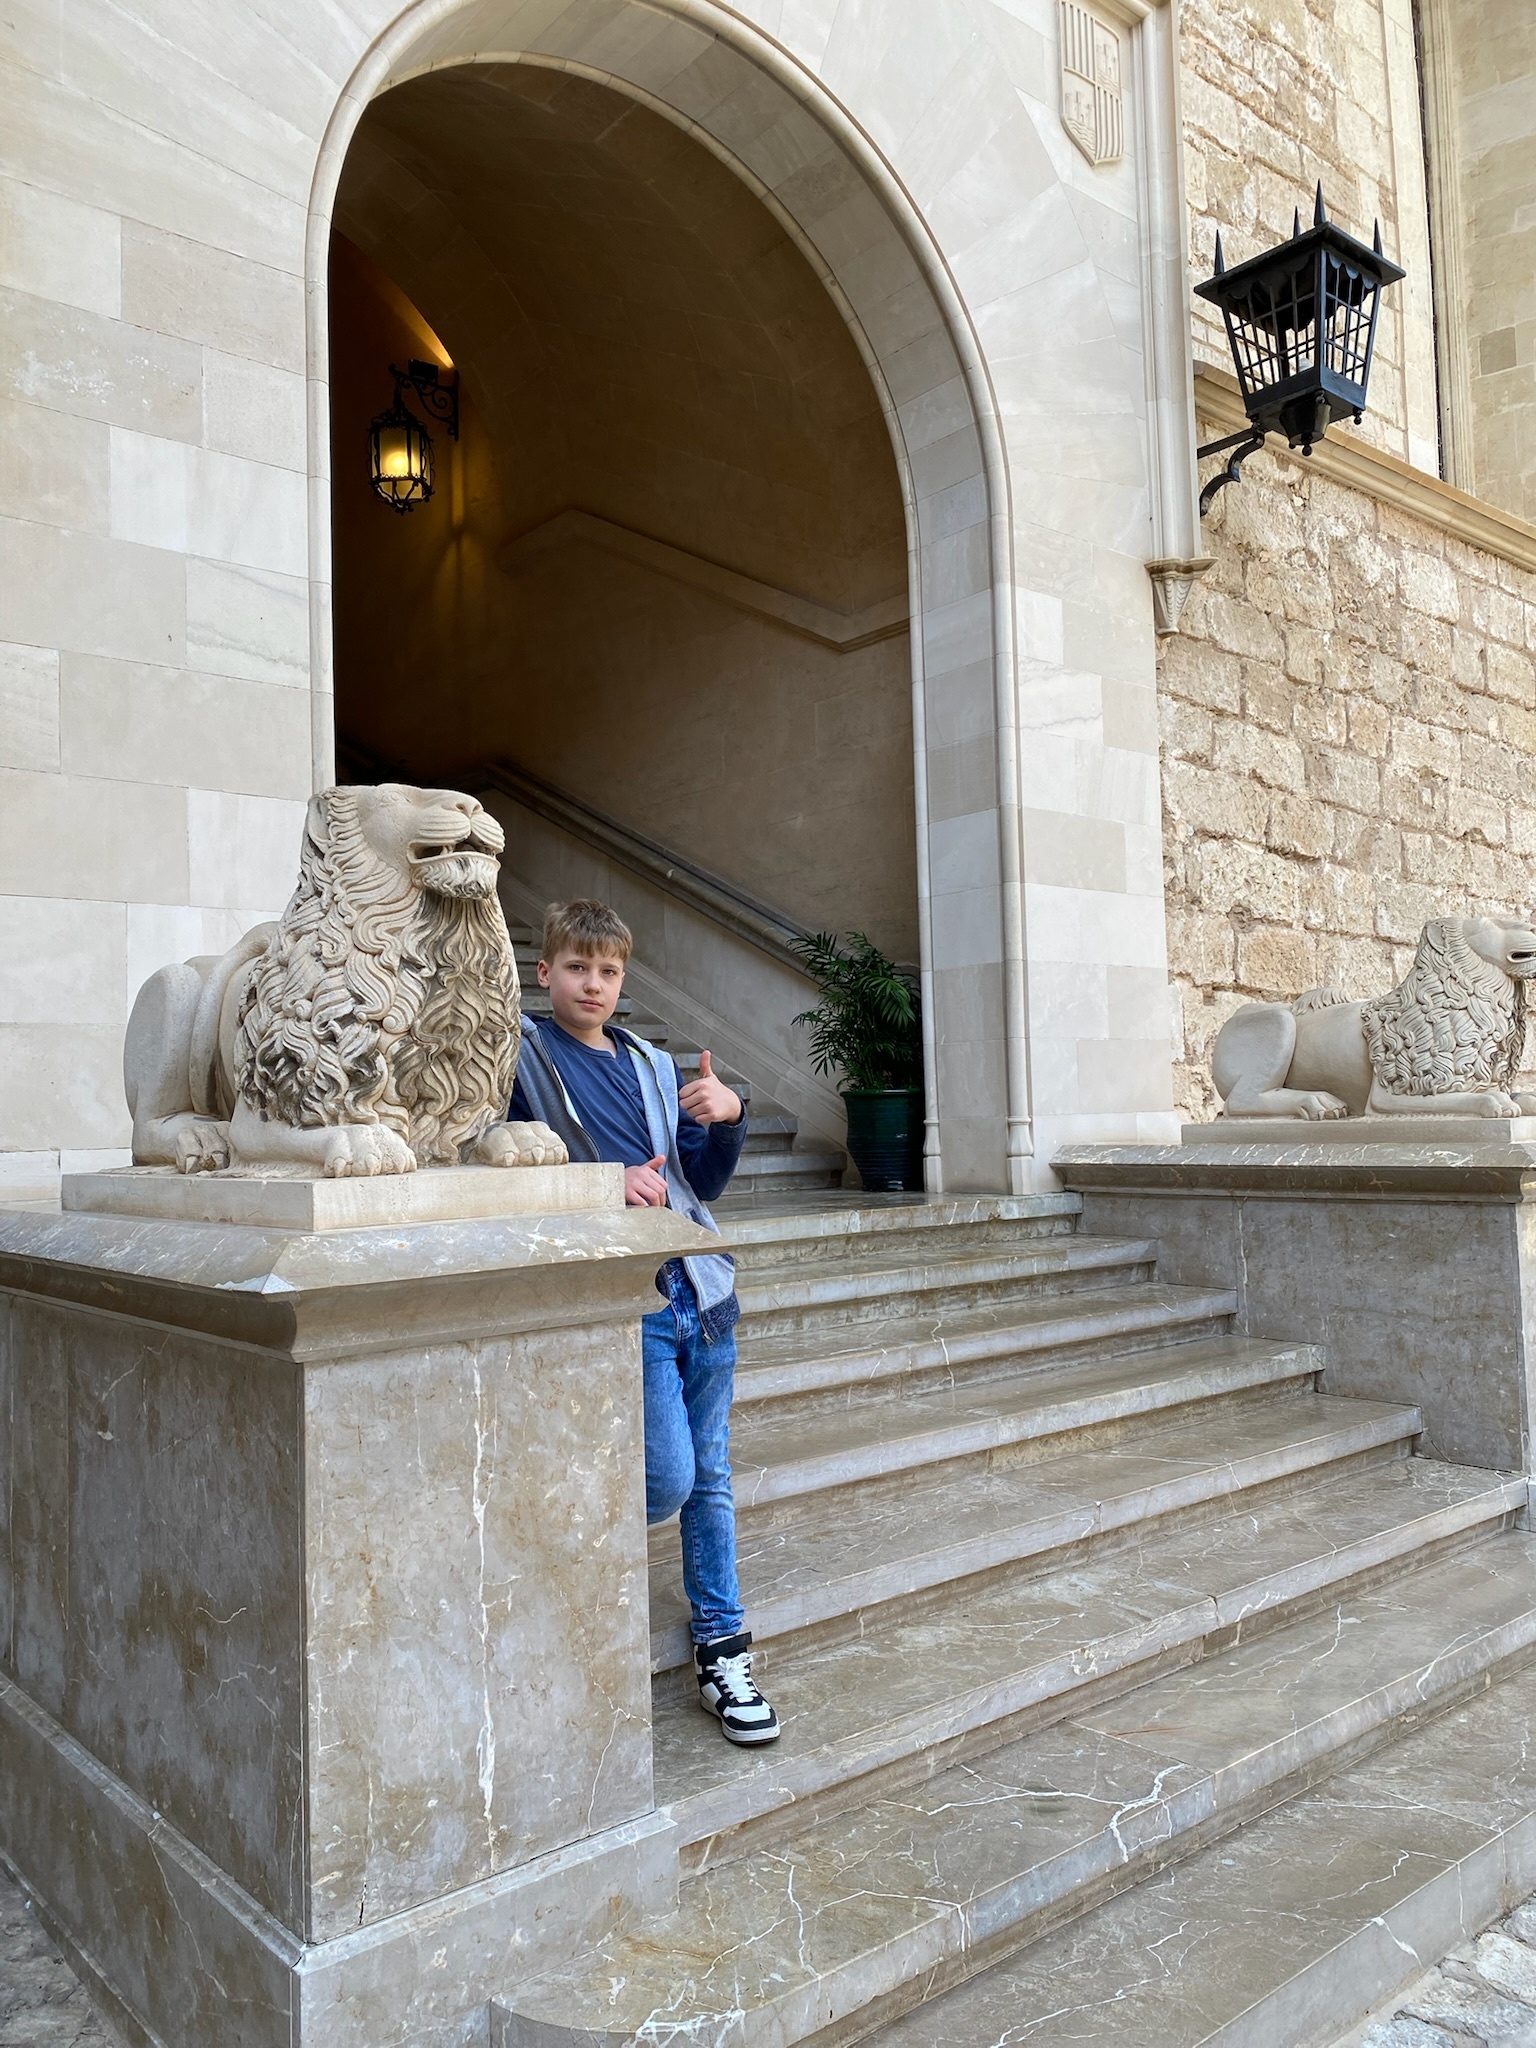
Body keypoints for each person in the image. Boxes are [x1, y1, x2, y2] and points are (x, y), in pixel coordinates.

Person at [508, 898, 780, 1746]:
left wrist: (727, 1117)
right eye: (579, 968)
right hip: (627, 1301)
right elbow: (501, 1169)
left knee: (712, 1479)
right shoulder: (519, 1056)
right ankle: (557, 1573)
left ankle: (722, 1649)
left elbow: (699, 1179)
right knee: (668, 1479)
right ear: (544, 970)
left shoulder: (650, 1063)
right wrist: (602, 1184)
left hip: (701, 1292)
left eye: (610, 971)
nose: (594, 984)